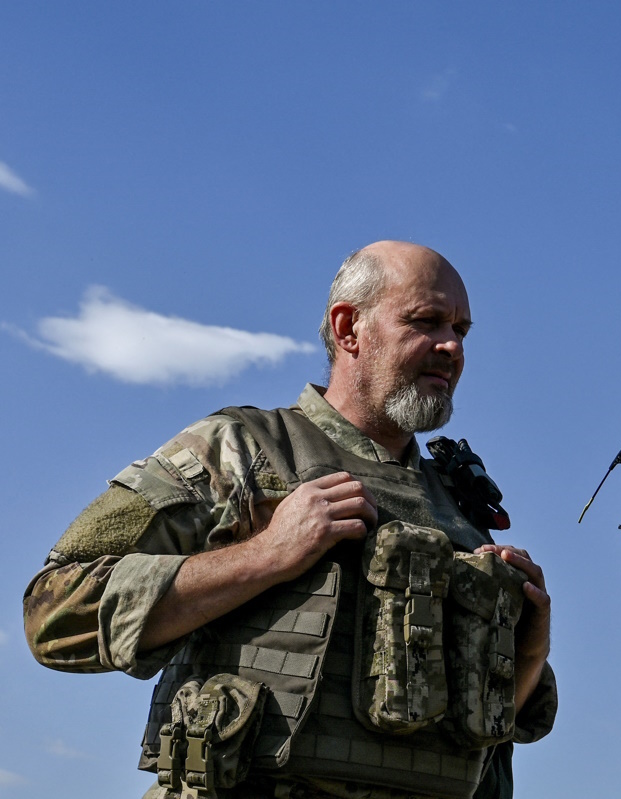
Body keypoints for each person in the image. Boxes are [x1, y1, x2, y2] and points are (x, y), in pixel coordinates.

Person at [24, 241, 556, 799]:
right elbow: (53, 612)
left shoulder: (461, 509)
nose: (451, 346)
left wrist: (526, 655)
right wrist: (267, 554)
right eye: (426, 322)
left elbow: (476, 734)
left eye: (461, 331)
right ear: (349, 328)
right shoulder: (238, 450)